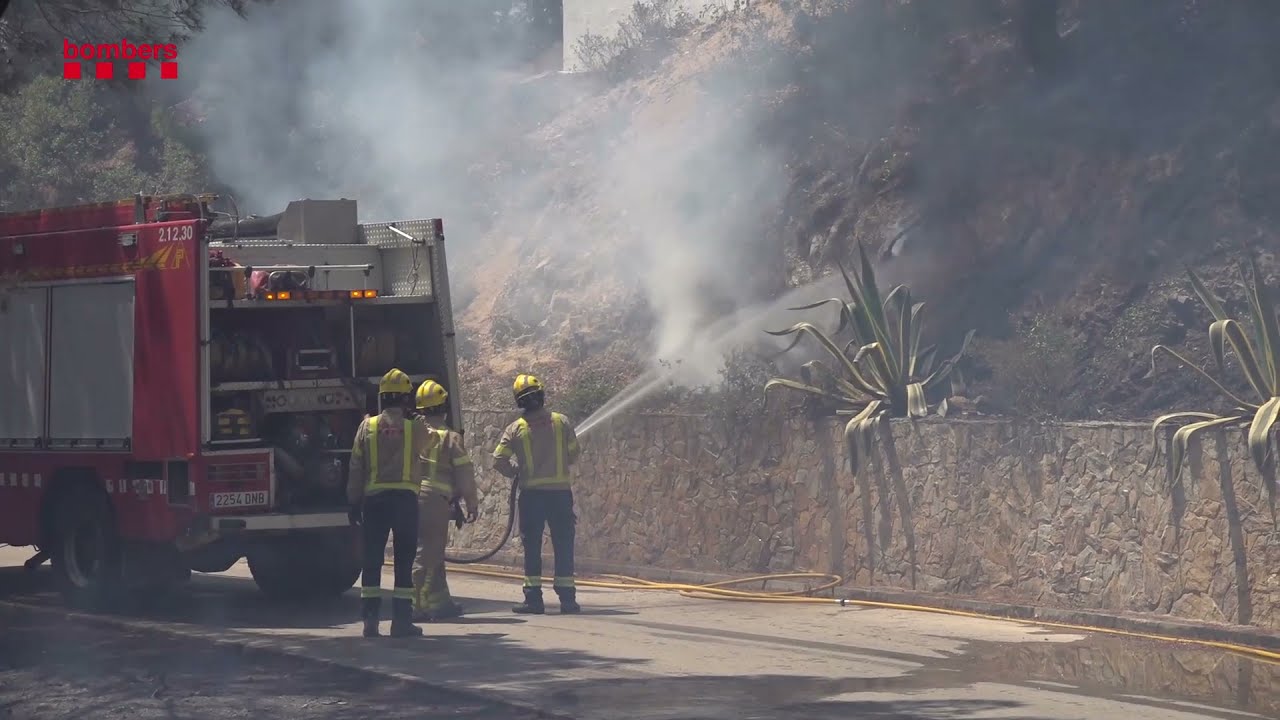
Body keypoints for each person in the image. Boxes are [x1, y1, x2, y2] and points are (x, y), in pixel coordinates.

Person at [491, 373, 582, 614]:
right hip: (561, 495)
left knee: (532, 547)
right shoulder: (561, 422)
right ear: (541, 395)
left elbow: (498, 460)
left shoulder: (515, 429)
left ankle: (533, 600)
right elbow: (574, 454)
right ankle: (568, 600)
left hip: (532, 497)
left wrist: (515, 472)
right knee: (564, 545)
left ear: (518, 401)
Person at [346, 368, 424, 638]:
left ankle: (370, 620)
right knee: (404, 562)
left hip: (375, 501)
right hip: (405, 502)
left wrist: (353, 501)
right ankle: (401, 622)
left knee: (372, 560)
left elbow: (356, 466)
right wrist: (417, 420)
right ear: (406, 400)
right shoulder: (415, 429)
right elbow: (434, 443)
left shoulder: (367, 426)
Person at [411, 379, 479, 622]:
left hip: (411, 498)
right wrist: (471, 502)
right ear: (443, 407)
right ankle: (416, 604)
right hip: (434, 501)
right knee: (429, 552)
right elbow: (464, 473)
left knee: (431, 551)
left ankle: (441, 604)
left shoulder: (414, 433)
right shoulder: (450, 438)